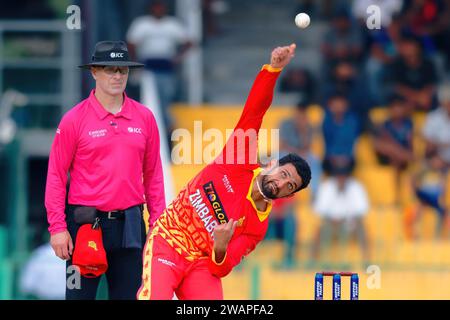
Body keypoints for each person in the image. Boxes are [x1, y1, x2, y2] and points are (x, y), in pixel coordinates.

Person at [137, 44, 311, 300]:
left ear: (289, 195)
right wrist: (273, 70)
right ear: (273, 165)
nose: (282, 184)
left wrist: (220, 246)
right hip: (170, 239)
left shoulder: (257, 226)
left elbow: (223, 266)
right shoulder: (239, 158)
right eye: (284, 175)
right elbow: (255, 111)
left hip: (202, 263)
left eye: (290, 186)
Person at [45, 40, 166, 300]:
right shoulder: (74, 120)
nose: (117, 75)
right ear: (94, 72)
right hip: (85, 226)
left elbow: (154, 174)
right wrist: (57, 227)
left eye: (123, 70)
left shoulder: (144, 117)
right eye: (110, 69)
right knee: (78, 297)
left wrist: (158, 224)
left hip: (131, 226)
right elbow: (56, 174)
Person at [126, 0, 193, 148]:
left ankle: (167, 140)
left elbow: (189, 42)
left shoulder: (172, 24)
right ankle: (146, 137)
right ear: (151, 8)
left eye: (161, 6)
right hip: (147, 70)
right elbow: (131, 43)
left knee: (164, 103)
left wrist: (178, 58)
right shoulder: (142, 24)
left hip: (166, 70)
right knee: (147, 102)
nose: (159, 9)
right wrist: (136, 62)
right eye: (156, 6)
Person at [311, 158, 370, 263]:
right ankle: (313, 262)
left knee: (362, 227)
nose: (341, 179)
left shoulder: (356, 187)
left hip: (350, 225)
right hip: (330, 224)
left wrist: (347, 221)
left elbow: (361, 211)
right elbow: (319, 210)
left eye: (344, 175)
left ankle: (366, 261)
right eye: (339, 175)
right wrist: (334, 221)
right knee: (318, 231)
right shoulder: (326, 186)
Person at [372, 94, 414, 204]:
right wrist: (396, 150)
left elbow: (410, 144)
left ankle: (399, 196)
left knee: (397, 155)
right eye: (394, 108)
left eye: (399, 107)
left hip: (403, 157)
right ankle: (397, 195)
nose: (397, 110)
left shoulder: (408, 124)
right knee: (386, 147)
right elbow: (379, 145)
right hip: (388, 157)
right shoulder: (385, 125)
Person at [322, 92, 360, 175]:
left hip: (348, 158)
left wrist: (346, 157)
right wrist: (334, 157)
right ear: (330, 106)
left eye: (340, 104)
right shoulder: (326, 121)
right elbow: (327, 143)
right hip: (331, 158)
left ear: (346, 105)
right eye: (335, 104)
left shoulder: (352, 121)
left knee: (346, 167)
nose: (338, 107)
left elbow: (352, 142)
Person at [422, 84, 450, 166]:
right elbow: (428, 143)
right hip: (438, 159)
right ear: (442, 103)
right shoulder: (433, 117)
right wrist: (442, 145)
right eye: (447, 102)